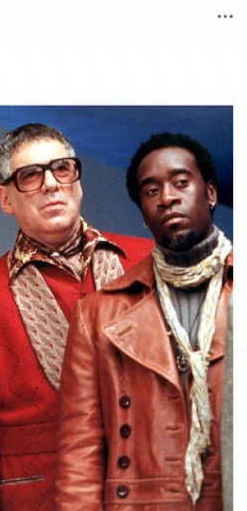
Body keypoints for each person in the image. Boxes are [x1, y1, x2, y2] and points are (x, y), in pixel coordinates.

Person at [0, 123, 153, 510]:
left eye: (62, 169)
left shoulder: (150, 261)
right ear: (5, 198)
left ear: (78, 183)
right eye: (31, 175)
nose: (51, 184)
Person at [56, 132, 232, 509]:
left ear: (210, 193)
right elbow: (79, 454)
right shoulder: (97, 314)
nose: (167, 197)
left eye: (181, 182)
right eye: (151, 191)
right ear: (143, 212)